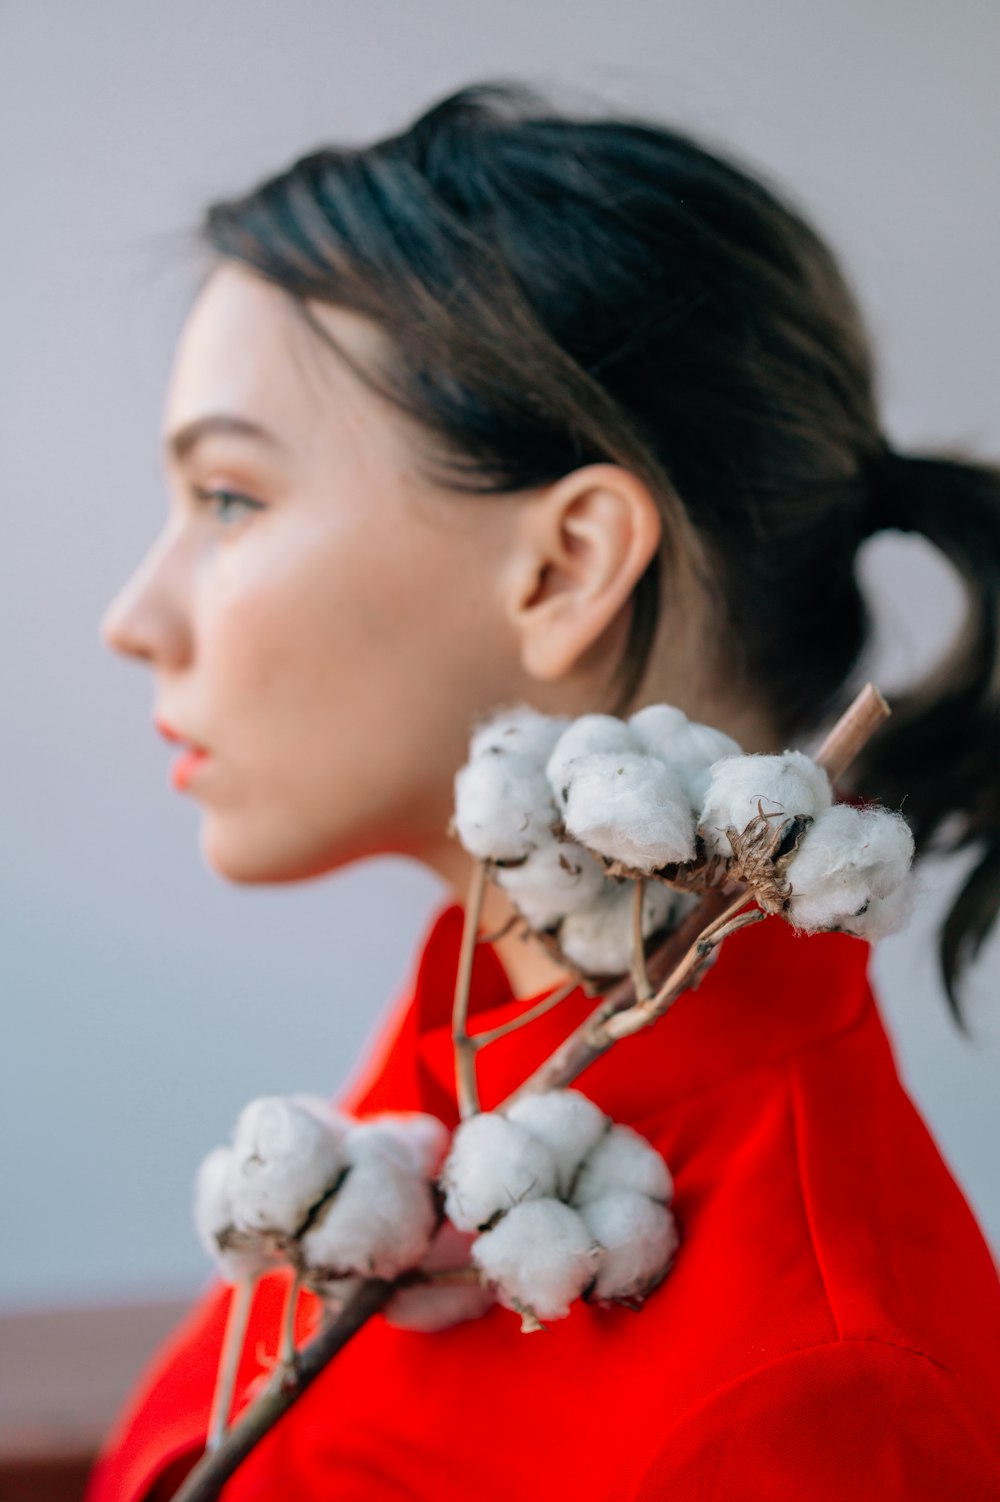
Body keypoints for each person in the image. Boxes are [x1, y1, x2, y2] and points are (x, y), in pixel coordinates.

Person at [89, 80, 1000, 1500]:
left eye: (228, 500)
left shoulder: (817, 1394)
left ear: (568, 565)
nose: (132, 615)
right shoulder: (471, 1035)